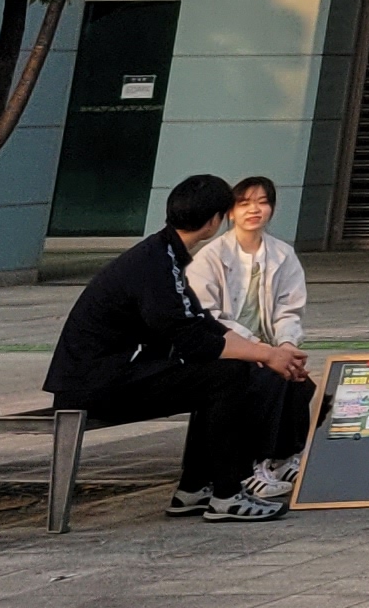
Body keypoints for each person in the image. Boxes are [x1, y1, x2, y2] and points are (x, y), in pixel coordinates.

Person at [42, 173, 317, 524]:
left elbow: (204, 324)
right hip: (96, 385)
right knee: (225, 375)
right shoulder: (157, 263)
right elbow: (194, 340)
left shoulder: (164, 254)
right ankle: (228, 493)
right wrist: (266, 354)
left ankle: (195, 488)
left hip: (108, 377)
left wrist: (271, 354)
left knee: (224, 373)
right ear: (215, 220)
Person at [187, 172, 314, 499]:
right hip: (226, 348)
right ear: (230, 212)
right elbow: (208, 315)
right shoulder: (211, 256)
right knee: (267, 380)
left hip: (267, 347)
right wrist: (256, 347)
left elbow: (289, 308)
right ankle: (254, 466)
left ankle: (285, 458)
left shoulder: (283, 254)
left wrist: (286, 345)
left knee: (298, 379)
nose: (254, 210)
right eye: (244, 203)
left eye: (262, 202)